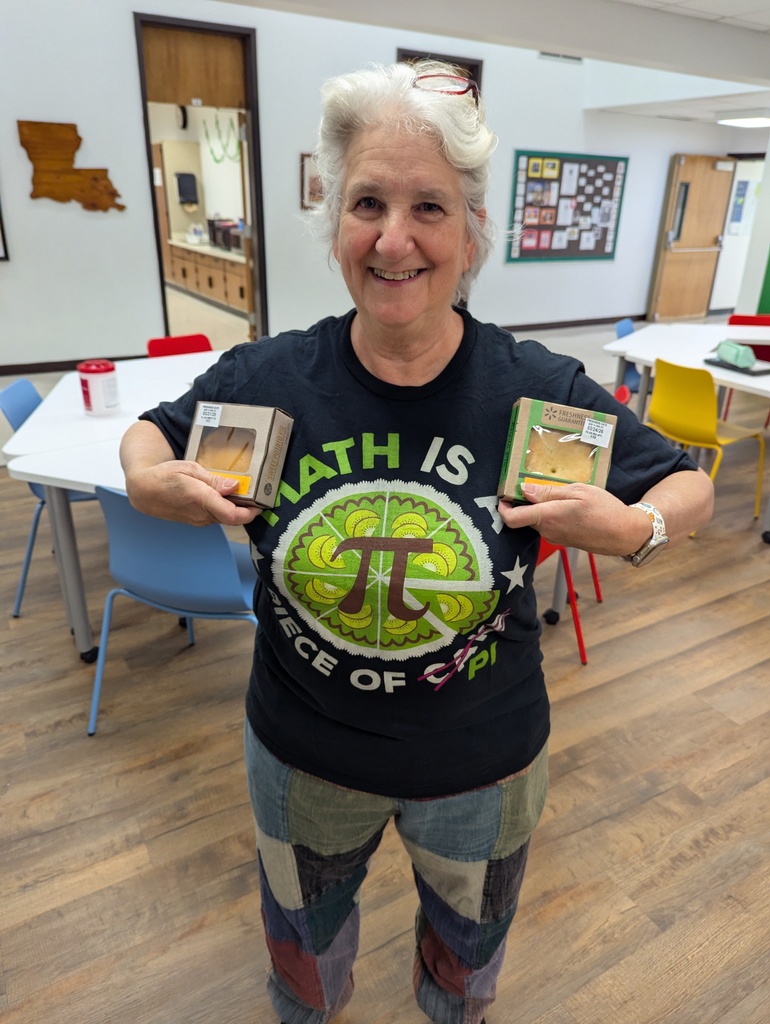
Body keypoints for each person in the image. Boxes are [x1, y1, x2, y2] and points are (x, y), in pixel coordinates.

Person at [120, 60, 714, 1024]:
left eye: (428, 207)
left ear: (473, 232)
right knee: (303, 978)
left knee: (463, 984)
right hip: (302, 759)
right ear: (334, 226)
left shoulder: (539, 390)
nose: (393, 238)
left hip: (483, 771)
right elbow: (152, 428)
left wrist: (636, 526)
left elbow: (689, 482)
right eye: (367, 203)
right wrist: (147, 475)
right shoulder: (268, 375)